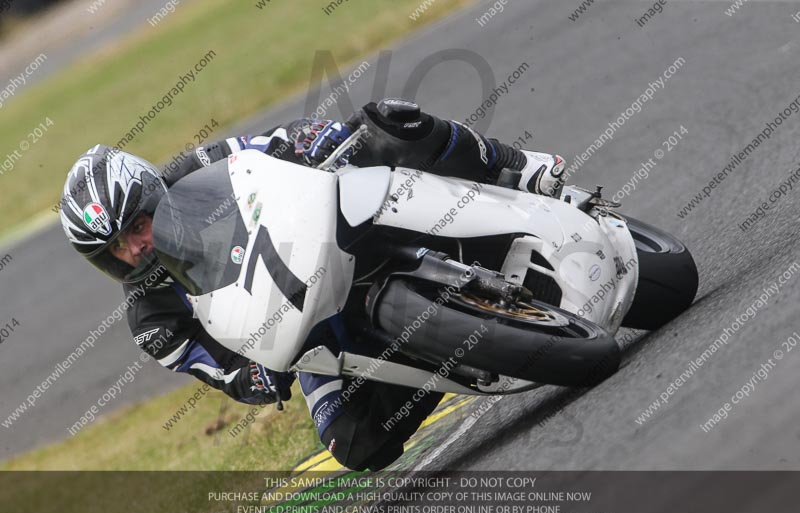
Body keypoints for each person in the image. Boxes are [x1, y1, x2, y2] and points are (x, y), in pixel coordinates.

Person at [58, 98, 567, 470]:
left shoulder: (197, 173)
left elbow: (273, 144)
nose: (134, 248)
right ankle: (453, 346)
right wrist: (253, 378)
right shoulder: (152, 320)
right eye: (115, 249)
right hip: (308, 332)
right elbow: (221, 368)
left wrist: (309, 140)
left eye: (137, 226)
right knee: (354, 443)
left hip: (331, 238)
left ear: (154, 195)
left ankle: (515, 168)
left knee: (381, 122)